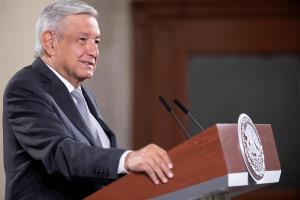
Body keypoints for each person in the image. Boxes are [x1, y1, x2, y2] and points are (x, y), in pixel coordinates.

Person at [2, 1, 173, 199]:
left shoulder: (84, 95)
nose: (93, 51)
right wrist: (127, 159)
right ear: (50, 42)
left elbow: (94, 163)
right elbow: (60, 153)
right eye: (82, 40)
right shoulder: (26, 87)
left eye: (97, 41)